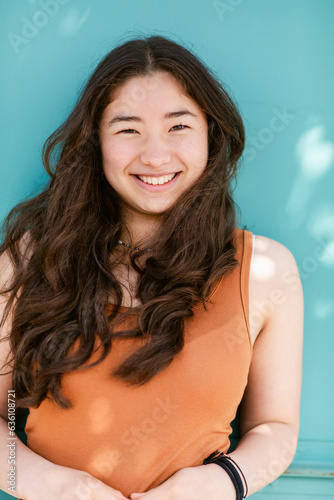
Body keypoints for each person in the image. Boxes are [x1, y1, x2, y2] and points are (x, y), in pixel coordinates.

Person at [0, 35, 303, 500]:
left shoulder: (265, 270)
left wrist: (215, 485)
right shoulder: (31, 259)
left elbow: (275, 428)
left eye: (178, 126)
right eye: (128, 129)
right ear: (95, 142)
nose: (156, 155)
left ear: (210, 134)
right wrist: (50, 484)